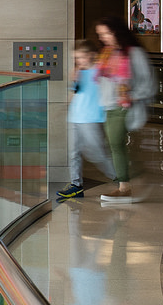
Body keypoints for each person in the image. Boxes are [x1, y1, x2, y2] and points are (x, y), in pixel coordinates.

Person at [92, 19, 156, 202]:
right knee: (113, 145)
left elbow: (148, 83)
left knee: (115, 143)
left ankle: (125, 185)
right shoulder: (106, 53)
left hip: (123, 105)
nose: (102, 37)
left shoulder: (134, 53)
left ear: (117, 32)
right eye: (100, 34)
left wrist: (131, 95)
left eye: (106, 33)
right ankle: (131, 178)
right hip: (107, 106)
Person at [58, 40, 115, 202]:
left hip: (91, 117)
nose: (79, 61)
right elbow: (74, 92)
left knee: (97, 153)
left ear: (91, 55)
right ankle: (76, 185)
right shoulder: (78, 72)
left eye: (81, 57)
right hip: (75, 116)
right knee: (73, 152)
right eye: (76, 58)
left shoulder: (99, 71)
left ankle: (119, 178)